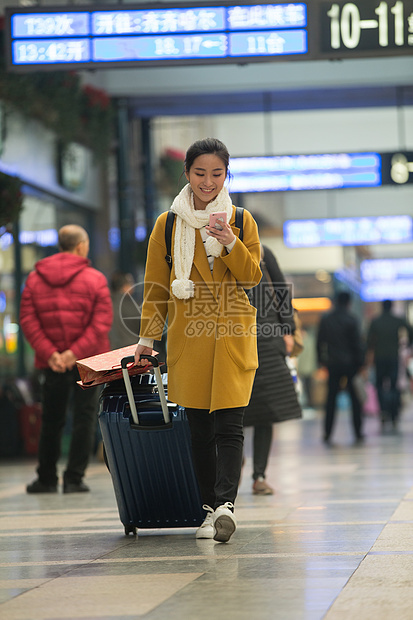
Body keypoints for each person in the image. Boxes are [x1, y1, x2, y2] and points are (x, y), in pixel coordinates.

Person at [134, 138, 262, 542]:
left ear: (227, 175)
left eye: (217, 174)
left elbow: (253, 277)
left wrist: (228, 241)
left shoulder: (241, 220)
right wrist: (147, 338)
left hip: (230, 335)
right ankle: (208, 509)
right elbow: (156, 285)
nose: (208, 182)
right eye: (200, 173)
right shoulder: (167, 223)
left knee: (230, 426)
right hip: (189, 336)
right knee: (199, 431)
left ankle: (226, 506)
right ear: (186, 173)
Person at [20, 225, 113, 493]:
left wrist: (51, 354)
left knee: (51, 419)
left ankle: (47, 479)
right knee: (84, 418)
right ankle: (74, 478)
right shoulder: (95, 279)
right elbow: (101, 322)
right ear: (81, 246)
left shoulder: (35, 279)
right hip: (87, 362)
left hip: (52, 365)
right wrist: (75, 353)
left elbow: (27, 319)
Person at [243, 244, 302, 495]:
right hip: (233, 337)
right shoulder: (216, 250)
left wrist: (287, 329)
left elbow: (281, 290)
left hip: (267, 338)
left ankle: (259, 475)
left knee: (265, 410)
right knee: (232, 409)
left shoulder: (263, 253)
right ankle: (234, 459)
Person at [316, 291, 365, 445]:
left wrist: (321, 362)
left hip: (333, 364)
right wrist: (360, 365)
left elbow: (319, 342)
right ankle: (358, 432)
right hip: (350, 365)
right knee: (355, 399)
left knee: (331, 399)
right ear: (349, 303)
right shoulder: (352, 319)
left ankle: (327, 433)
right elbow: (358, 344)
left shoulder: (326, 319)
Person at [366, 299, 413, 430]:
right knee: (394, 386)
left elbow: (369, 341)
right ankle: (394, 414)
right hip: (393, 357)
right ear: (391, 306)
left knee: (380, 386)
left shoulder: (375, 321)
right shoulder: (397, 320)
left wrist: (371, 353)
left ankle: (384, 412)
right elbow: (410, 330)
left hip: (380, 358)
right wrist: (408, 345)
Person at [109, 271, 140, 349]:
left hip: (110, 350)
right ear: (125, 286)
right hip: (131, 349)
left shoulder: (106, 304)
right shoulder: (132, 306)